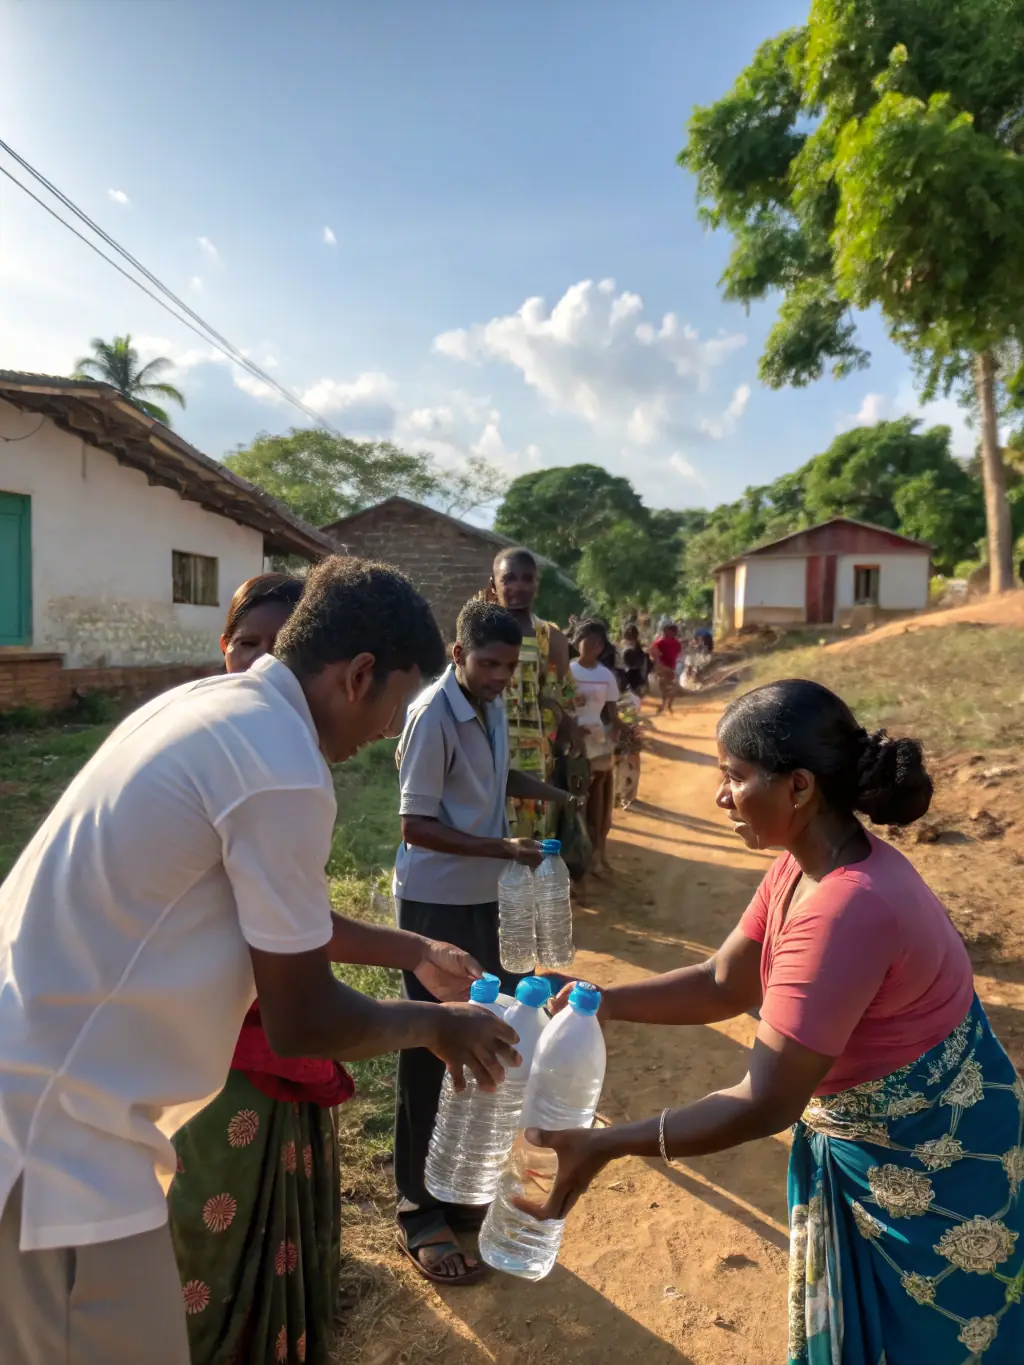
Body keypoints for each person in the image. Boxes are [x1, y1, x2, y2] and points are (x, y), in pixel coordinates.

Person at [0, 556, 521, 1365]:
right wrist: (436, 1026)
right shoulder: (282, 767)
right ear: (358, 675)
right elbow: (303, 1017)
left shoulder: (217, 708)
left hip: (46, 1094)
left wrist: (413, 947)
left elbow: (276, 913)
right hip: (55, 1140)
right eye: (396, 702)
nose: (391, 727)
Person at [518, 680, 1024, 1364]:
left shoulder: (847, 910)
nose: (720, 796)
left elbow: (766, 1100)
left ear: (798, 787)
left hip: (938, 1178)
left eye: (733, 776)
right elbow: (725, 980)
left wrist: (609, 1143)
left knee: (927, 1340)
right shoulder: (804, 863)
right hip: (886, 1153)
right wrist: (601, 997)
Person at [168, 572, 338, 1365]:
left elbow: (290, 917)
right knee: (197, 1216)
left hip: (265, 1015)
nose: (262, 661)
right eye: (248, 644)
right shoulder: (195, 743)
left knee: (266, 1210)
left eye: (282, 646)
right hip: (202, 1033)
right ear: (222, 649)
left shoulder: (290, 754)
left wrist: (409, 950)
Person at [393, 598, 574, 1284]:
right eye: (488, 663)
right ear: (456, 652)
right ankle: (417, 1208)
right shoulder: (432, 715)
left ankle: (457, 1186)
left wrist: (553, 792)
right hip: (435, 904)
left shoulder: (490, 705)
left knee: (484, 1041)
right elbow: (416, 824)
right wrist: (503, 843)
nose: (500, 676)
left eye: (509, 665)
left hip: (484, 898)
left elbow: (495, 780)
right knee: (429, 1046)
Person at [490, 548, 578, 838]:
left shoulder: (550, 636)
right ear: (494, 584)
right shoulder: (481, 632)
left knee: (532, 835)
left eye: (528, 579)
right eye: (509, 579)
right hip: (485, 749)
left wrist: (568, 743)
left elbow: (567, 695)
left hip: (534, 757)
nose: (518, 587)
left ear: (537, 584)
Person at [570, 620, 621, 878]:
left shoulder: (606, 676)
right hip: (571, 741)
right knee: (576, 800)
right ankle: (580, 857)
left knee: (598, 801)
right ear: (577, 641)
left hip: (598, 742)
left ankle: (598, 855)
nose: (593, 646)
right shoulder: (567, 672)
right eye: (588, 640)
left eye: (599, 642)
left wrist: (619, 733)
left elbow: (612, 714)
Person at [650, 618, 683, 714]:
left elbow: (678, 656)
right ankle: (665, 706)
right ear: (665, 630)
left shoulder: (675, 643)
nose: (673, 632)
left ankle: (666, 706)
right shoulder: (659, 642)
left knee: (669, 688)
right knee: (665, 687)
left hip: (670, 668)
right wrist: (660, 666)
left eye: (674, 630)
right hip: (664, 668)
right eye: (671, 630)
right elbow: (654, 654)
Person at [619, 622, 651, 697]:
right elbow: (644, 668)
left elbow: (621, 666)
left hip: (629, 680)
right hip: (637, 680)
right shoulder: (641, 650)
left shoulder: (626, 649)